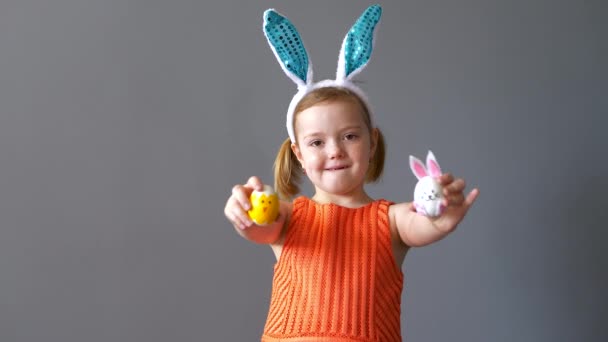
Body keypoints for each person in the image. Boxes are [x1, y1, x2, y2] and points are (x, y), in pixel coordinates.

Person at [224, 5, 479, 342]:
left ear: (372, 142)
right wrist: (244, 212)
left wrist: (439, 218)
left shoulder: (392, 220)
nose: (334, 151)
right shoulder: (288, 218)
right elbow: (261, 228)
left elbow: (420, 223)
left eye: (349, 136)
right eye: (317, 142)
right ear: (298, 154)